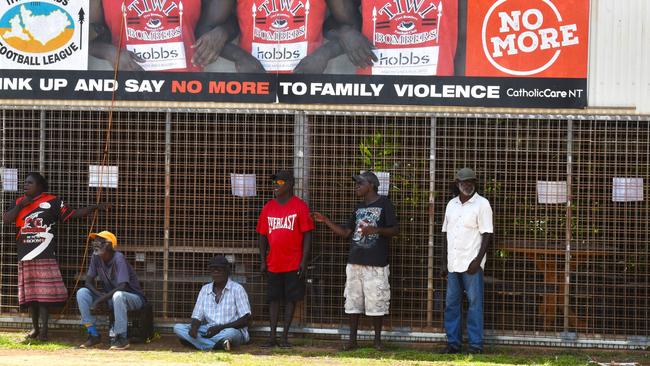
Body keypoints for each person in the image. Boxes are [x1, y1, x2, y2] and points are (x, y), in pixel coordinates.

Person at [1, 172, 109, 341]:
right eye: (25, 183)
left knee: (43, 297)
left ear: (40, 186)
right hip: (25, 255)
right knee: (31, 297)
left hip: (44, 255)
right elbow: (6, 219)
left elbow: (72, 214)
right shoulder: (18, 202)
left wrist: (94, 207)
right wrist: (20, 205)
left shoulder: (52, 201)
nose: (25, 185)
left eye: (30, 183)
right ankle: (34, 329)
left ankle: (44, 331)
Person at [313, 171, 399, 351]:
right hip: (355, 262)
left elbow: (394, 230)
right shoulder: (358, 208)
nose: (356, 186)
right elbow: (346, 232)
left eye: (360, 183)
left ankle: (377, 341)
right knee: (353, 301)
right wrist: (326, 220)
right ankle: (352, 340)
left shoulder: (385, 203)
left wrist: (375, 230)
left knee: (377, 301)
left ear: (372, 185)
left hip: (376, 263)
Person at [89, 0, 238, 71]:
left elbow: (230, 21)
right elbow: (86, 38)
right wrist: (110, 52)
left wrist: (222, 32)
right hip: (129, 89)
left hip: (186, 89)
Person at [256, 169, 314, 347]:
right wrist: (263, 261)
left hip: (293, 263)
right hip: (274, 263)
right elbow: (262, 236)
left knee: (291, 299)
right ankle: (272, 336)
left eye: (279, 183)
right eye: (274, 182)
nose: (275, 186)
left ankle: (284, 337)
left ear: (289, 185)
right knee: (273, 299)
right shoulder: (268, 207)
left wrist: (303, 261)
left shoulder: (300, 206)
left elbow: (308, 235)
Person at [439, 167, 493, 354]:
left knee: (474, 305)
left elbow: (487, 235)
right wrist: (444, 262)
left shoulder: (482, 204)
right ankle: (453, 343)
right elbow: (445, 234)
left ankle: (475, 345)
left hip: (472, 264)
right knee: (451, 305)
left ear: (474, 183)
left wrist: (478, 261)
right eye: (464, 182)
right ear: (457, 183)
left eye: (470, 181)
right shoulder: (451, 204)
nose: (467, 184)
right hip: (453, 263)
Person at [76, 231, 146, 350]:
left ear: (109, 245)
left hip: (133, 298)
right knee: (82, 293)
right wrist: (99, 297)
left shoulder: (119, 258)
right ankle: (93, 335)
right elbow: (88, 282)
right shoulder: (95, 256)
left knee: (118, 295)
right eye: (95, 241)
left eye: (99, 241)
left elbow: (122, 286)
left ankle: (121, 338)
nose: (95, 244)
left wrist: (99, 300)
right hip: (109, 297)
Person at [173, 255, 251, 351]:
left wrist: (219, 328)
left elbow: (245, 320)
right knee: (178, 328)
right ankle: (217, 345)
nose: (216, 272)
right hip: (209, 330)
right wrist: (194, 328)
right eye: (213, 270)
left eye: (219, 269)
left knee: (229, 334)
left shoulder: (237, 289)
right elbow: (197, 316)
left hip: (231, 330)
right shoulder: (205, 289)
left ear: (227, 270)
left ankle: (197, 343)